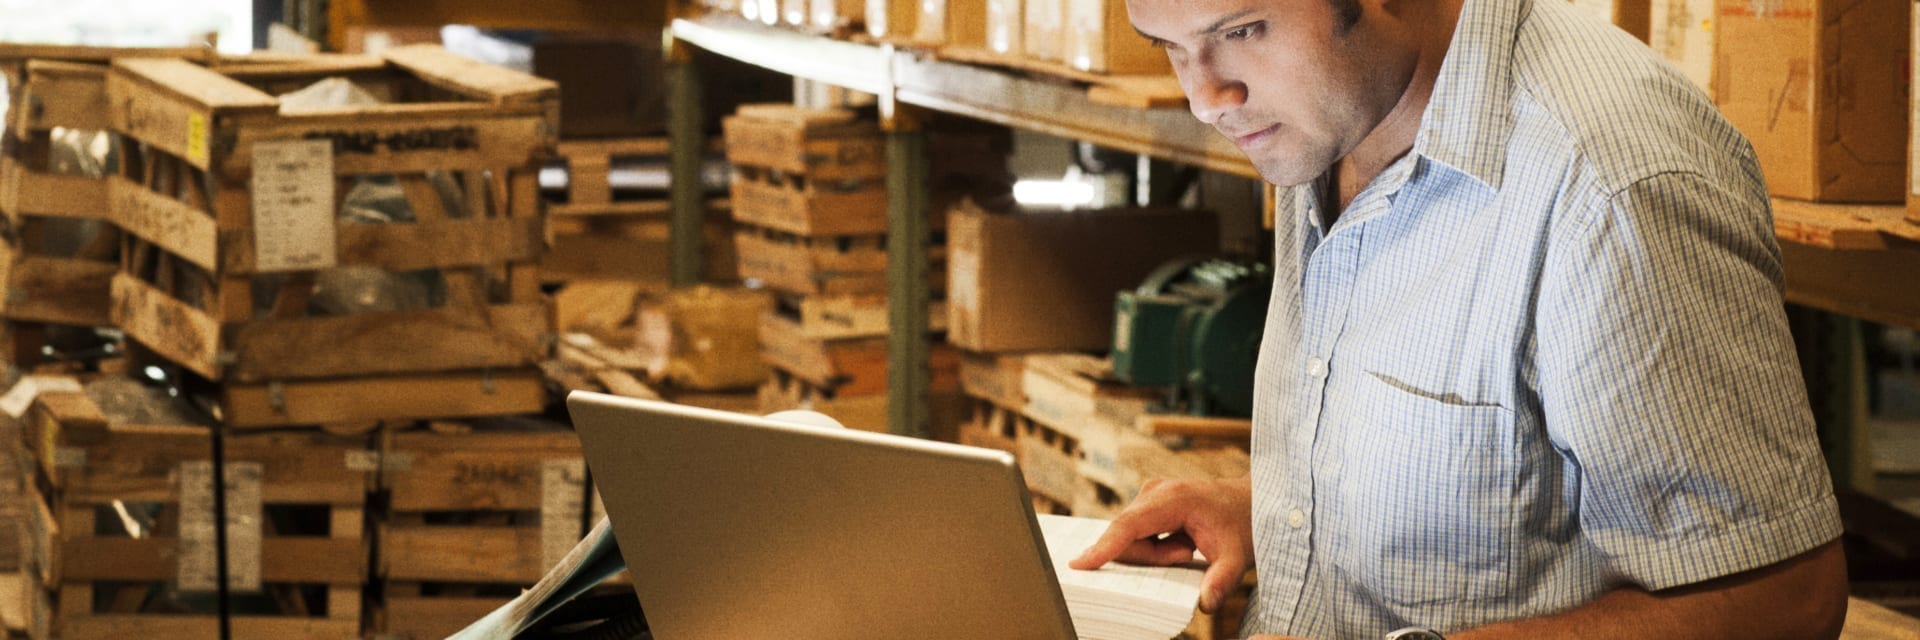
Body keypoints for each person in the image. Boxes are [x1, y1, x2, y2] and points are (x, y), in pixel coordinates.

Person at [1068, 0, 1851, 638]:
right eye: (1170, 47)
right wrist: (1269, 509)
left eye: (1240, 32)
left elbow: (1785, 602)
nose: (1208, 99)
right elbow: (1498, 463)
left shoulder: (1607, 184)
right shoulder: (1329, 113)